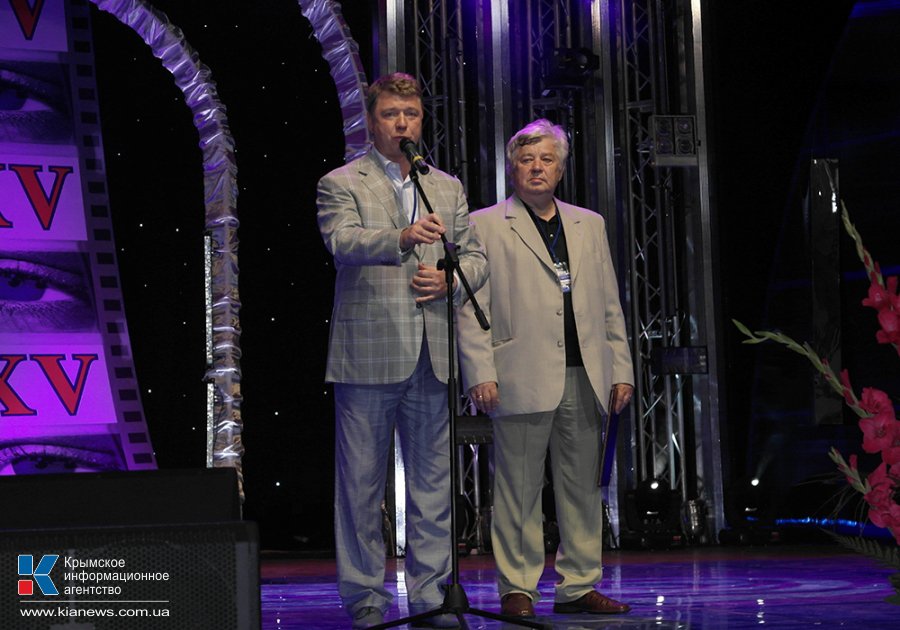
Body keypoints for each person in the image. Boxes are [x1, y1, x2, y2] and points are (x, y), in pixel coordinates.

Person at [317, 72, 488, 629]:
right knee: (361, 485)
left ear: (421, 120)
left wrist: (449, 279)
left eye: (410, 114)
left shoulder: (446, 187)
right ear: (372, 122)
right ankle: (366, 598)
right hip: (368, 353)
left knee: (434, 484)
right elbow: (342, 241)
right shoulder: (342, 181)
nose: (401, 123)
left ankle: (432, 597)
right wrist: (401, 238)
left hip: (432, 354)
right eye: (391, 114)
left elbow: (476, 258)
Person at [457, 118, 635, 618]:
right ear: (512, 168)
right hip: (519, 371)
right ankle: (518, 587)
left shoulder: (589, 223)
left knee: (583, 488)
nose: (537, 167)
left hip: (586, 372)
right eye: (527, 159)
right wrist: (480, 371)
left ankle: (579, 585)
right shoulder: (484, 224)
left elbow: (609, 302)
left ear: (560, 169)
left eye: (547, 160)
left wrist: (621, 368)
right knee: (518, 488)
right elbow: (471, 307)